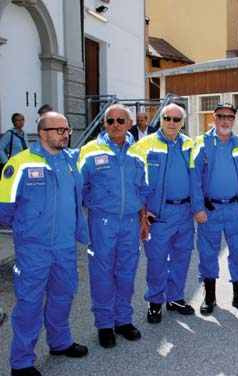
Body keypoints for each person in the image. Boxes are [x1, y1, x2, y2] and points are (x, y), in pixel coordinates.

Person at [0, 112, 89, 376]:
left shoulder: (69, 162)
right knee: (29, 303)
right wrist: (28, 229)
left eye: (67, 129)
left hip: (64, 247)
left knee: (63, 297)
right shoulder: (20, 164)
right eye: (58, 129)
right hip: (33, 249)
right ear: (42, 133)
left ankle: (60, 343)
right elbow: (5, 209)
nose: (65, 133)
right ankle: (22, 361)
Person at [77, 104, 149, 348]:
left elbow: (142, 189)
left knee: (127, 274)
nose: (115, 124)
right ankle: (105, 324)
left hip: (130, 222)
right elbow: (78, 187)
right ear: (104, 124)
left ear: (130, 124)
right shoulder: (89, 151)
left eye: (120, 120)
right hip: (102, 223)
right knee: (102, 274)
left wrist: (143, 219)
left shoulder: (138, 152)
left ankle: (123, 320)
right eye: (110, 121)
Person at [191, 102, 238, 315]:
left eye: (229, 117)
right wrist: (198, 208)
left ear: (234, 120)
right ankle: (210, 296)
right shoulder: (201, 143)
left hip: (236, 209)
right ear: (213, 118)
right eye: (221, 116)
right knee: (207, 253)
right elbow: (194, 178)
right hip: (209, 209)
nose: (225, 120)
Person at [132, 103, 196, 323]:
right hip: (158, 215)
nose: (171, 123)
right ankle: (155, 301)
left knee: (182, 256)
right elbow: (136, 182)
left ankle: (175, 297)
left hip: (185, 212)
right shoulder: (144, 145)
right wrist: (143, 213)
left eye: (176, 120)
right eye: (167, 118)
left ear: (182, 123)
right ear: (160, 120)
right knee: (157, 260)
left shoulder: (190, 144)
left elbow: (198, 179)